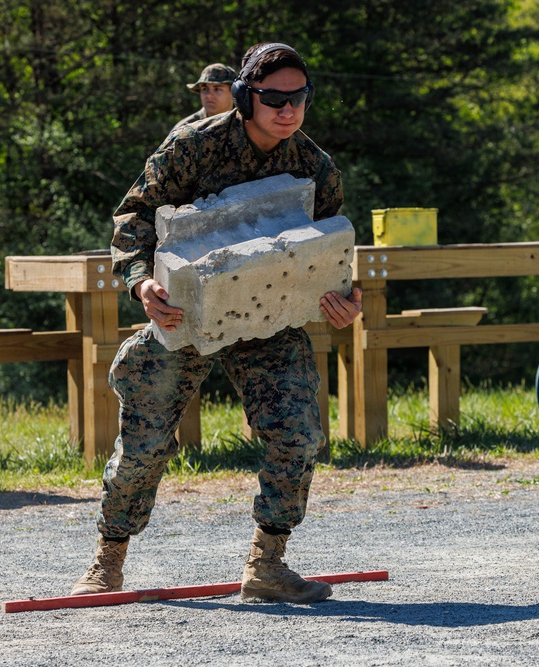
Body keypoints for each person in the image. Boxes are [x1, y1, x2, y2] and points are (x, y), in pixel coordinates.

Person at [70, 42, 363, 604]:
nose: (288, 110)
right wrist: (141, 283)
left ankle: (267, 564)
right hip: (182, 314)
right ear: (246, 97)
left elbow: (332, 253)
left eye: (299, 97)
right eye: (274, 98)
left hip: (268, 320)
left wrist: (348, 302)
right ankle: (108, 560)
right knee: (145, 444)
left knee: (298, 434)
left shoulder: (314, 167)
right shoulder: (193, 147)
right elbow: (132, 217)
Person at [170, 63, 237, 134]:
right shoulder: (185, 129)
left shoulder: (244, 123)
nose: (209, 95)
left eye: (217, 89)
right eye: (205, 89)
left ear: (233, 92)